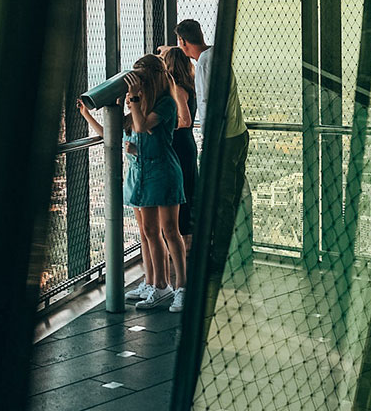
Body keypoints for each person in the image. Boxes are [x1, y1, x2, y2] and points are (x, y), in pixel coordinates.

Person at [79, 55, 188, 313]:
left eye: (140, 77)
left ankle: (181, 287)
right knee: (148, 233)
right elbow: (113, 133)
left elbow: (140, 127)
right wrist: (88, 115)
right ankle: (156, 284)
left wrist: (134, 99)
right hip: (139, 175)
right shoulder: (141, 104)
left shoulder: (165, 104)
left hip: (161, 172)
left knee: (170, 231)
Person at [172, 19, 250, 298]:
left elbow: (206, 104)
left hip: (222, 141)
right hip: (238, 134)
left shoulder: (204, 63)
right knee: (231, 198)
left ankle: (220, 259)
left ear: (183, 42)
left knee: (219, 201)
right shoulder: (217, 55)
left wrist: (208, 143)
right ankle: (236, 252)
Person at [160, 47, 198, 244]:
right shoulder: (188, 85)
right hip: (186, 145)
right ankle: (185, 242)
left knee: (180, 193)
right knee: (187, 191)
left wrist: (163, 126)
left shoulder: (177, 89)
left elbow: (185, 120)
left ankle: (182, 243)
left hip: (179, 146)